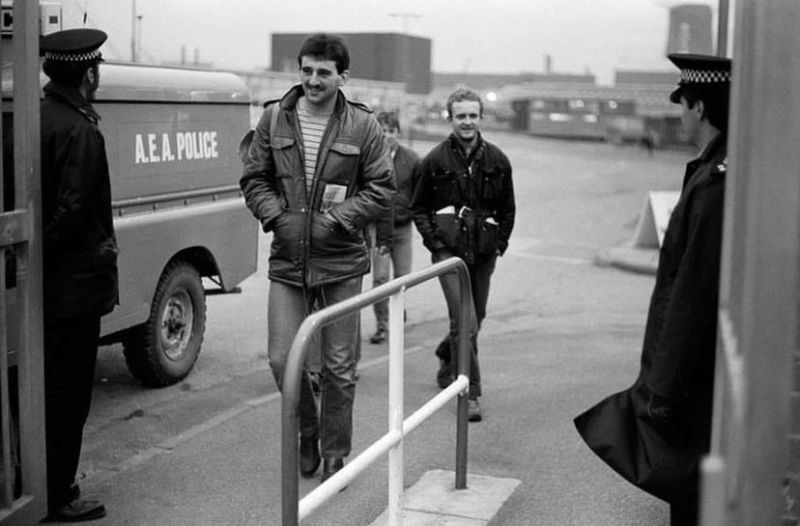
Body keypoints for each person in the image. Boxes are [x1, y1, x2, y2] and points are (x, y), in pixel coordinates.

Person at [574, 53, 732, 526]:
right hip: (702, 371)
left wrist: (662, 387)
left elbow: (692, 293)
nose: (679, 115)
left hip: (694, 376)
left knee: (687, 488)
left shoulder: (716, 183)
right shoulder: (716, 169)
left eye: (683, 104)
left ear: (699, 108)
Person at [240, 33, 394, 483]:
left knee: (340, 367)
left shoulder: (363, 126)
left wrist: (339, 218)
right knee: (281, 359)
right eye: (306, 70)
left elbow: (381, 189)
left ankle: (335, 450)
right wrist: (277, 219)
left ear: (342, 77)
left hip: (342, 260)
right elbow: (254, 179)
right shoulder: (275, 118)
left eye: (323, 72)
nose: (312, 80)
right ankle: (308, 430)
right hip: (289, 260)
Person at [40, 28, 119, 522]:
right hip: (72, 289)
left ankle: (36, 482)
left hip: (40, 285)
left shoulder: (35, 117)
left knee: (39, 388)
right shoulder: (81, 129)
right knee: (69, 394)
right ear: (89, 73)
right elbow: (72, 211)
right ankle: (59, 495)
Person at [410, 88, 515, 422]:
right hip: (449, 255)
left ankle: (447, 352)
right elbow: (419, 207)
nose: (467, 122)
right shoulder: (434, 160)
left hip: (483, 255)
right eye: (461, 116)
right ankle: (469, 392)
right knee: (465, 322)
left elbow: (508, 209)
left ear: (480, 117)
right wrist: (436, 244)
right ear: (450, 118)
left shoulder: (498, 161)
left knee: (474, 321)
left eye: (472, 115)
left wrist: (499, 243)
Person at [368, 111, 421, 344]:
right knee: (380, 279)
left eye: (391, 131)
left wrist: (409, 211)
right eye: (382, 131)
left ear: (398, 133)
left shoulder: (412, 160)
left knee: (402, 276)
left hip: (402, 228)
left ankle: (397, 310)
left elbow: (420, 193)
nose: (387, 136)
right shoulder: (368, 158)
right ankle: (382, 324)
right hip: (378, 228)